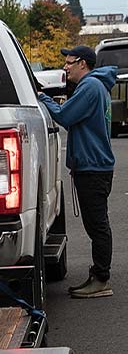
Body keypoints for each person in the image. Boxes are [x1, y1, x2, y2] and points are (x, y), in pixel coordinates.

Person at [38, 45, 119, 298]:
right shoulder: (96, 86)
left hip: (93, 167)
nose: (65, 67)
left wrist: (43, 98)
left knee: (97, 226)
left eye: (69, 62)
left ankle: (101, 280)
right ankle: (98, 275)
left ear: (83, 63)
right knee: (97, 224)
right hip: (95, 165)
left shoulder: (89, 87)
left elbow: (65, 115)